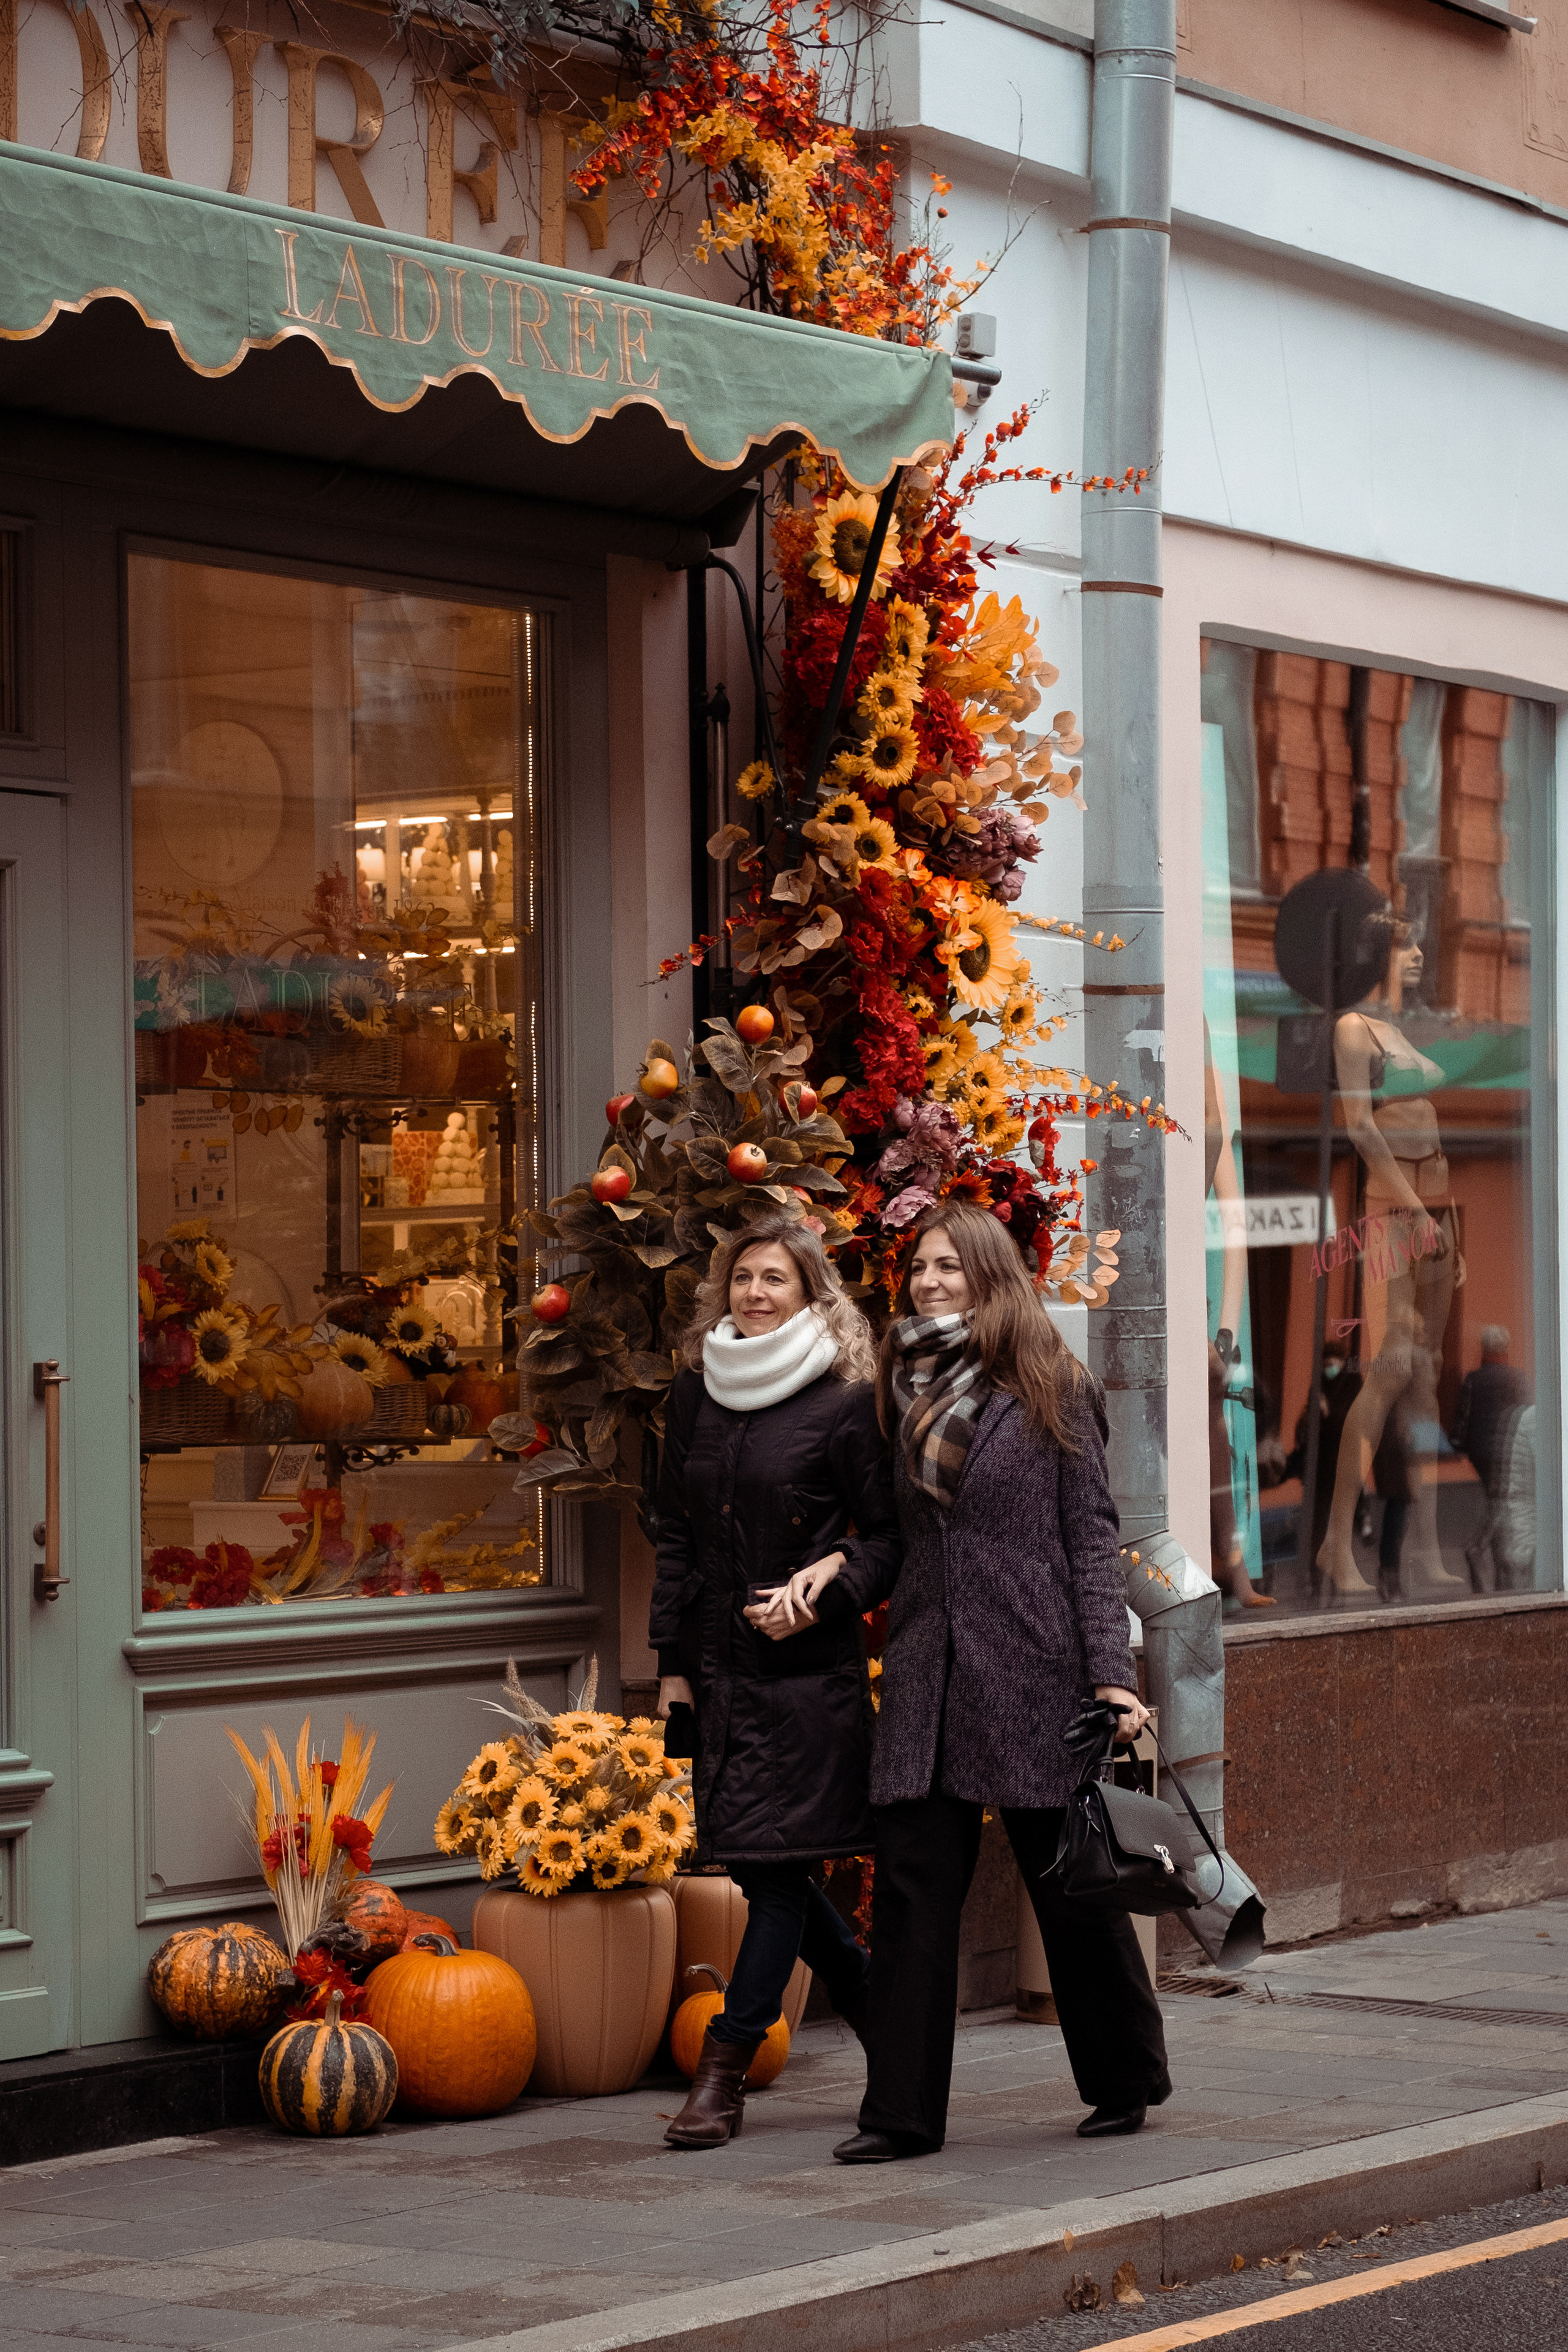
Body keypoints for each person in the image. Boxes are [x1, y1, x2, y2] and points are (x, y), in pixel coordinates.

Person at [778, 1200, 1169, 2165]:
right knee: (913, 1892)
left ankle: (1124, 2079)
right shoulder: (894, 1389)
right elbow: (893, 1538)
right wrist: (835, 1573)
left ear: (992, 1276)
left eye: (950, 1266)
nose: (929, 1281)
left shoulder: (1052, 1387)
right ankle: (900, 2114)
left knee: (1070, 1885)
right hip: (925, 1669)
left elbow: (1089, 1541)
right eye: (920, 1266)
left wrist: (1111, 1679)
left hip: (1035, 1668)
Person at [652, 1212, 900, 2151]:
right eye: (744, 1278)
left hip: (805, 1676)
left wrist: (824, 1589)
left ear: (812, 1296)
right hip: (719, 1674)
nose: (755, 1294)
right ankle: (881, 2008)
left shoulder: (846, 1402)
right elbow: (676, 1537)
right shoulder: (695, 1395)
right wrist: (672, 1670)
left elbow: (885, 1540)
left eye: (776, 1281)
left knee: (779, 1875)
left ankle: (723, 2071)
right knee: (770, 1872)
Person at [1315, 910, 1466, 1599]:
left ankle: (1427, 1551)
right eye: (1406, 948)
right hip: (1393, 1211)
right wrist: (1412, 1211)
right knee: (1388, 1370)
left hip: (1432, 1210)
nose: (1415, 959)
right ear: (1378, 953)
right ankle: (1334, 1544)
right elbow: (1359, 1128)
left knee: (1424, 1379)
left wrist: (1446, 1226)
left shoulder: (1400, 1031)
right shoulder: (1353, 1028)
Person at [1451, 1327, 1528, 1589]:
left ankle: (1501, 1572)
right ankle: (1477, 1549)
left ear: (1485, 1350)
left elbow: (1463, 1417)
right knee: (1502, 1504)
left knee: (1497, 1502)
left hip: (1481, 1453)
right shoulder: (1517, 1378)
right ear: (1504, 1348)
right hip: (1507, 1451)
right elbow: (1524, 1417)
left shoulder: (1473, 1379)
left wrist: (1459, 1445)